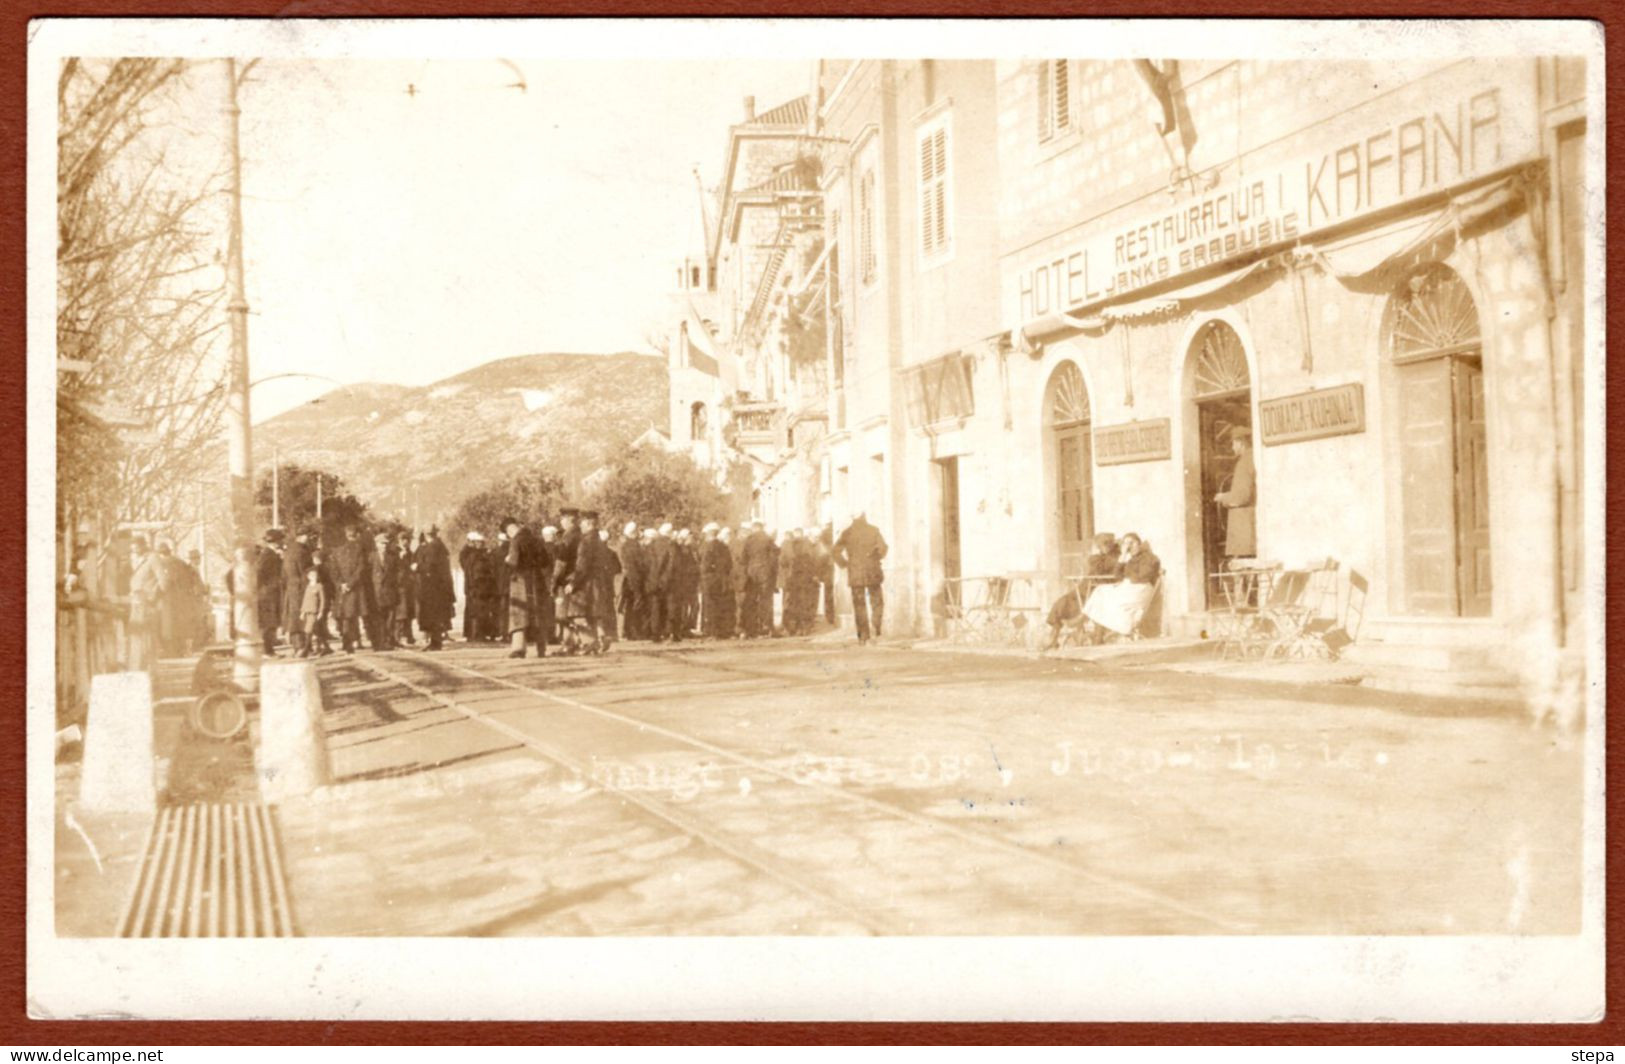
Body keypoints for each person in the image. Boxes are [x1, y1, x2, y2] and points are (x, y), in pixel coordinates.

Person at [1041, 533, 1120, 651]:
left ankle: (1089, 632)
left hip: (1097, 590)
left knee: (1083, 604)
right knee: (1061, 602)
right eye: (1101, 545)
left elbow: (1102, 571)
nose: (1104, 548)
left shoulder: (1115, 557)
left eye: (1107, 544)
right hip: (1085, 587)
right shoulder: (1098, 558)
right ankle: (1054, 637)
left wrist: (1100, 557)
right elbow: (1096, 568)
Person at [1081, 532, 1162, 641]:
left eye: (1132, 543)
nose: (1129, 546)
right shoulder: (1129, 559)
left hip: (1141, 589)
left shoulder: (1149, 557)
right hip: (1129, 587)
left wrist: (1127, 579)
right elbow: (1117, 575)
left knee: (1110, 602)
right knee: (1100, 590)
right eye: (1126, 544)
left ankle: (1097, 633)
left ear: (1139, 543)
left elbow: (1143, 576)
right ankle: (1097, 634)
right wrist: (1123, 556)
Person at [833, 512, 888, 645]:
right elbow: (883, 548)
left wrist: (844, 564)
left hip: (855, 572)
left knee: (859, 605)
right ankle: (877, 628)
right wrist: (876, 558)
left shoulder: (847, 532)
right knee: (877, 601)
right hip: (872, 571)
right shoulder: (874, 530)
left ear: (852, 517)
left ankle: (863, 636)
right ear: (864, 516)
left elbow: (835, 551)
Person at [504, 516, 549, 658]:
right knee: (537, 614)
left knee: (519, 613)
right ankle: (541, 648)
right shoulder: (536, 539)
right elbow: (545, 560)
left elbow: (513, 561)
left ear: (510, 529)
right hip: (536, 580)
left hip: (521, 581)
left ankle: (519, 648)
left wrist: (507, 560)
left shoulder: (515, 541)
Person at [1213, 433, 1257, 560]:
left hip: (1243, 527)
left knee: (1243, 567)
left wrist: (1223, 497)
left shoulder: (1244, 463)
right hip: (1248, 526)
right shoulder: (1252, 458)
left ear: (1241, 443)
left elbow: (1242, 497)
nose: (1232, 448)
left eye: (1233, 444)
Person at [126, 536, 166, 671]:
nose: (134, 550)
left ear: (143, 545)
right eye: (133, 548)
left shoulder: (153, 558)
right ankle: (138, 669)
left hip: (148, 603)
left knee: (149, 637)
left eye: (137, 547)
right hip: (136, 602)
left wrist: (153, 597)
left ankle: (151, 670)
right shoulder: (135, 559)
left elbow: (163, 581)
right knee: (137, 636)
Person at [331, 524, 370, 653]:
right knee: (354, 615)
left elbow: (334, 570)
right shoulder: (360, 549)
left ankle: (347, 642)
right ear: (356, 535)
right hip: (355, 587)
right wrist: (350, 584)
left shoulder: (337, 551)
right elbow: (361, 569)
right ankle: (353, 641)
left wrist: (341, 584)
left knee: (346, 615)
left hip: (342, 589)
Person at [415, 526, 455, 651]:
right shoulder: (439, 546)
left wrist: (417, 567)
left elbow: (430, 565)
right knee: (435, 614)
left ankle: (435, 642)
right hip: (439, 586)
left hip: (433, 586)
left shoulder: (433, 547)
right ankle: (435, 641)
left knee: (433, 614)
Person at [280, 528, 314, 658]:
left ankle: (298, 646)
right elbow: (306, 571)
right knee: (304, 616)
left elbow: (283, 574)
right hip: (302, 587)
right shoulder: (302, 551)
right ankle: (303, 647)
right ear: (302, 536)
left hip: (291, 588)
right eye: (308, 536)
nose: (309, 539)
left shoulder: (288, 551)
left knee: (294, 617)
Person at [699, 523, 734, 639]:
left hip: (710, 580)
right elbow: (729, 564)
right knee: (721, 605)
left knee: (711, 606)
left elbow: (705, 565)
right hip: (722, 580)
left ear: (709, 534)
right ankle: (722, 631)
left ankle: (713, 631)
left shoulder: (708, 547)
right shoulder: (724, 547)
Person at [741, 520, 774, 638]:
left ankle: (751, 628)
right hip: (764, 573)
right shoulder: (768, 539)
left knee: (751, 600)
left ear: (754, 528)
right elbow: (774, 557)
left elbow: (743, 558)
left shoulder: (748, 540)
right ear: (761, 527)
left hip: (751, 573)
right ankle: (765, 627)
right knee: (765, 599)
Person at [643, 522, 675, 643]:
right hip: (666, 582)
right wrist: (665, 579)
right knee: (668, 607)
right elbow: (671, 564)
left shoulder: (652, 545)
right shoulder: (669, 545)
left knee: (655, 607)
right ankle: (667, 632)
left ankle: (655, 634)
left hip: (653, 581)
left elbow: (646, 564)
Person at [787, 528, 822, 635]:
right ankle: (804, 628)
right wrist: (815, 577)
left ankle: (797, 628)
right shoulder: (808, 554)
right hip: (806, 582)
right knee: (806, 604)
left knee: (797, 604)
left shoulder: (794, 554)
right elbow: (812, 567)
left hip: (796, 581)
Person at [257, 529, 286, 655]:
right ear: (275, 542)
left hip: (270, 592)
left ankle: (269, 650)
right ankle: (267, 651)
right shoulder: (267, 555)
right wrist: (266, 586)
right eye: (280, 540)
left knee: (271, 622)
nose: (281, 542)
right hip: (268, 594)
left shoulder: (271, 554)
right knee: (269, 622)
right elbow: (259, 573)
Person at [617, 521, 646, 641]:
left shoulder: (625, 545)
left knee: (629, 606)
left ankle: (628, 631)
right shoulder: (633, 545)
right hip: (635, 579)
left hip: (628, 579)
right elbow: (638, 564)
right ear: (633, 532)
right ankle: (633, 632)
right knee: (636, 605)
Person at [673, 528, 700, 639]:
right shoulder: (683, 551)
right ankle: (683, 627)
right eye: (690, 537)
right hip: (685, 582)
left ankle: (687, 627)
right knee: (685, 606)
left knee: (693, 605)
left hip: (691, 582)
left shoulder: (691, 550)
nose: (692, 539)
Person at [297, 568, 326, 659]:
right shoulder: (308, 587)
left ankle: (306, 649)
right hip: (308, 612)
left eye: (315, 576)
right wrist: (302, 612)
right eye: (312, 576)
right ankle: (323, 647)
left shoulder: (319, 586)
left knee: (308, 630)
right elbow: (305, 600)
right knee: (315, 631)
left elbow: (322, 600)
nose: (314, 577)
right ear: (309, 577)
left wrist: (321, 611)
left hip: (314, 612)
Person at [459, 532, 483, 642]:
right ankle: (474, 634)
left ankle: (471, 633)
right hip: (473, 585)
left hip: (471, 585)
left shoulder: (467, 552)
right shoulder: (471, 554)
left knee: (472, 609)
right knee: (474, 609)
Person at [818, 524, 838, 626]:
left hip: (827, 571)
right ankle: (831, 615)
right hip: (830, 570)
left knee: (828, 593)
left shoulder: (824, 546)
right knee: (830, 593)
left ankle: (829, 616)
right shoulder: (830, 533)